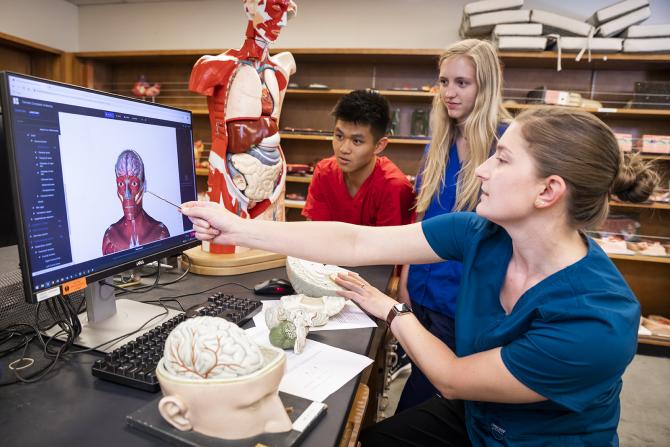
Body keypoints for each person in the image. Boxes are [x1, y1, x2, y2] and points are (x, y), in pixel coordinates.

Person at [181, 106, 658, 445]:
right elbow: (356, 242)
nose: (484, 171)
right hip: (478, 418)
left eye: (503, 159)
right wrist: (240, 227)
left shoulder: (598, 321)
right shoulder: (479, 234)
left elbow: (451, 377)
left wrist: (392, 309)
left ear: (548, 190)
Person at [394, 39, 511, 411]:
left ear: (485, 86)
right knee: (426, 381)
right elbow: (422, 214)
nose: (449, 92)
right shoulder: (440, 141)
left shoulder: (506, 143)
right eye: (444, 82)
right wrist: (407, 277)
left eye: (462, 83)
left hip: (468, 295)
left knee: (432, 397)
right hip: (426, 289)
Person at [188, 0, 297, 254]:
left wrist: (259, 127)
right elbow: (236, 134)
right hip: (232, 173)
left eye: (287, 14)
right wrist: (263, 127)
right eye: (274, 9)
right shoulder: (217, 65)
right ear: (250, 8)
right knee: (225, 250)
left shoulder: (281, 67)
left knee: (271, 254)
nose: (280, 21)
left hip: (273, 175)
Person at [302, 89, 414, 226]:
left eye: (357, 141)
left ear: (379, 145)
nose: (343, 149)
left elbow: (390, 246)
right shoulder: (324, 172)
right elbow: (314, 234)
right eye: (339, 136)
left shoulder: (394, 187)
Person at [102, 149, 170, 255]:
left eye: (134, 183)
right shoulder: (110, 237)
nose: (127, 194)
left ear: (144, 185)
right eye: (121, 184)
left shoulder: (160, 233)